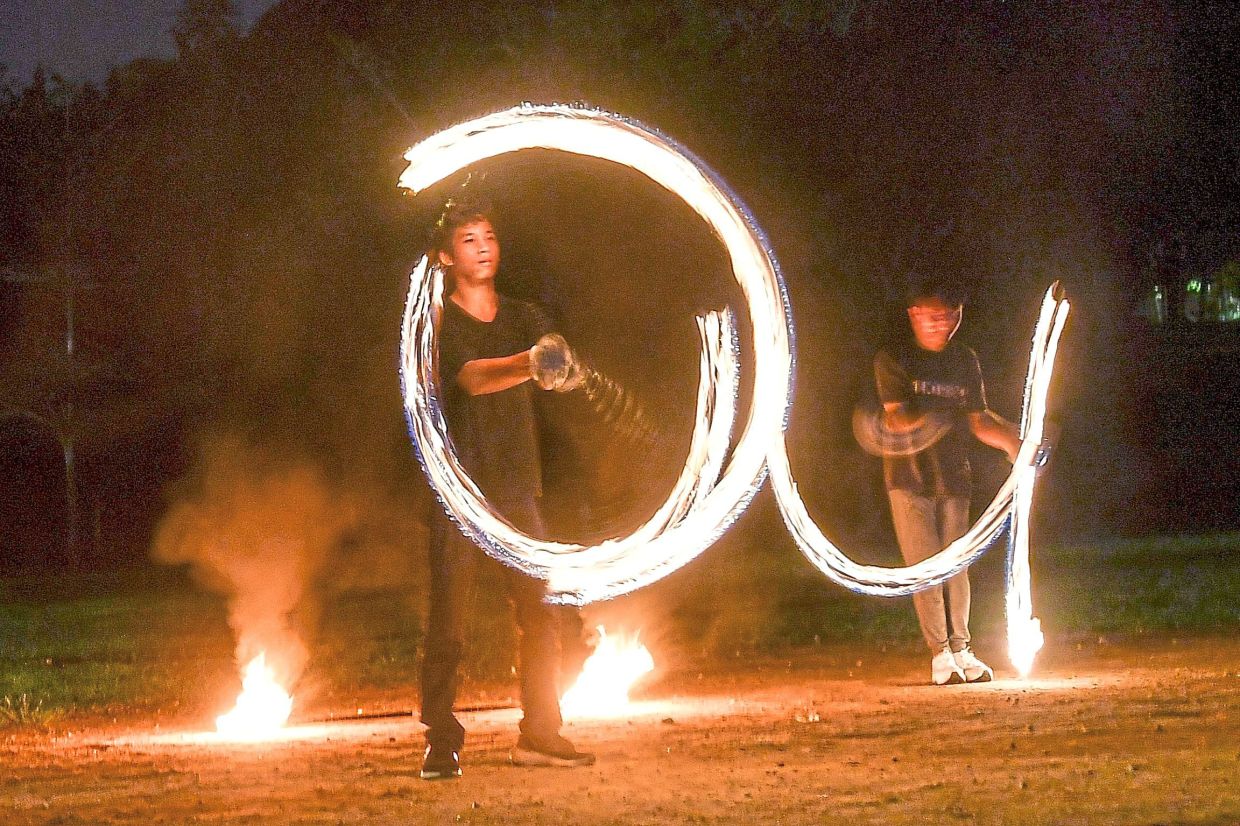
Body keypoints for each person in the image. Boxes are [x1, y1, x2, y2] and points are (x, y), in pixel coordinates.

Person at [418, 197, 594, 779]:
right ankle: (441, 739)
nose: (483, 246)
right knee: (449, 619)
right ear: (446, 255)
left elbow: (558, 367)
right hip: (460, 491)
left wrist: (567, 371)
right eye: (468, 239)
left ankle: (540, 733)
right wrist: (531, 363)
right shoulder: (441, 323)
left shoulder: (522, 313)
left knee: (540, 612)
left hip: (518, 487)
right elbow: (471, 379)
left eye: (489, 235)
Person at [874, 278, 1021, 685]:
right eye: (934, 317)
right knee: (927, 566)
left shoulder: (965, 360)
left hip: (954, 478)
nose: (943, 325)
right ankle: (940, 654)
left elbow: (980, 420)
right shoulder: (895, 359)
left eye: (951, 317)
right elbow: (897, 416)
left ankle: (962, 648)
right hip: (909, 480)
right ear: (914, 315)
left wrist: (1017, 442)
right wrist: (931, 418)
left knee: (957, 566)